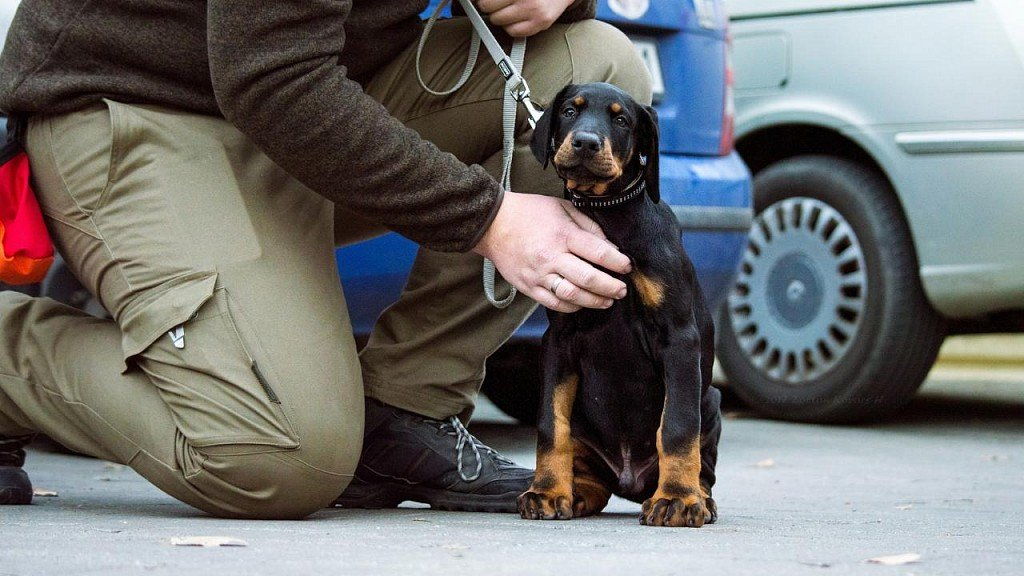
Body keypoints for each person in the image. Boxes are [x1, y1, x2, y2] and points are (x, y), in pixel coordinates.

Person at [0, 0, 651, 518]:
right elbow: (270, 79)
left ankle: (406, 405)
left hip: (328, 93)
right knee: (276, 455)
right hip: (144, 102)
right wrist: (488, 217)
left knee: (594, 65)